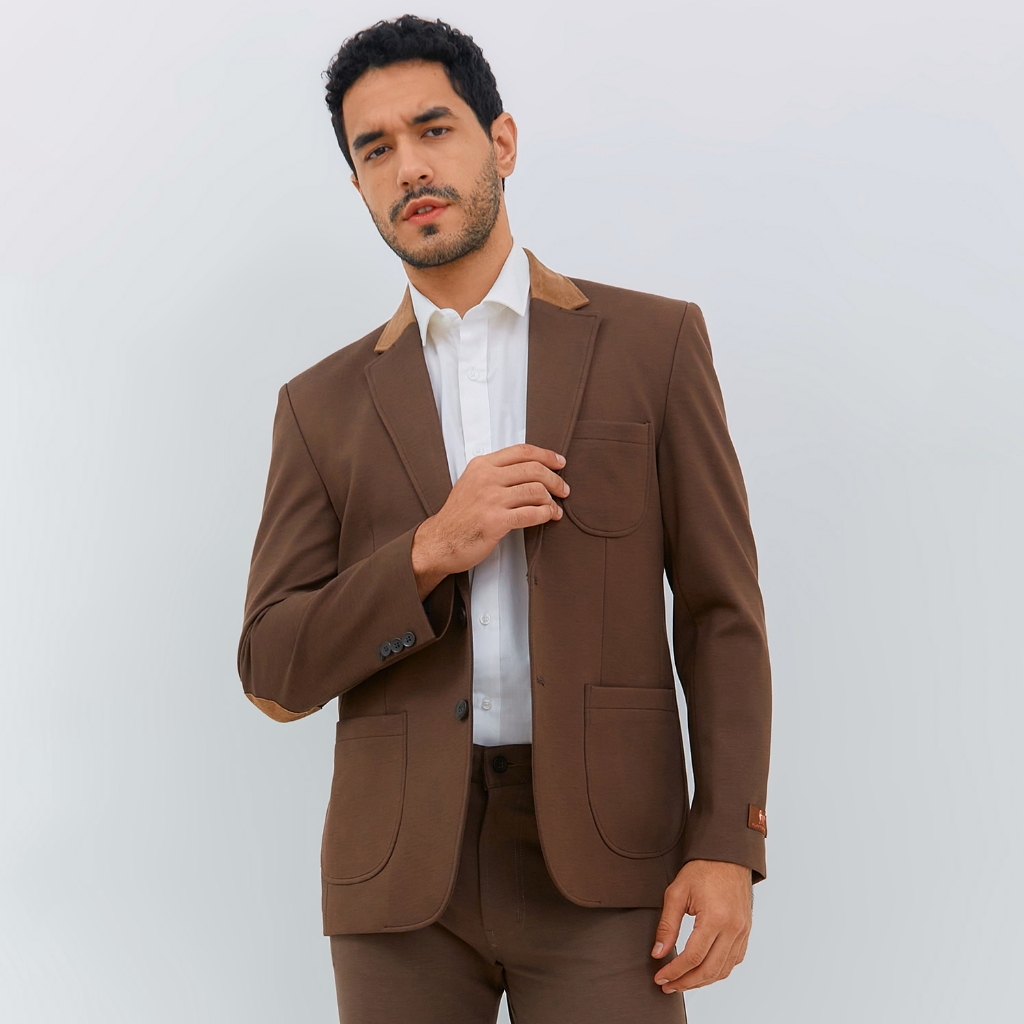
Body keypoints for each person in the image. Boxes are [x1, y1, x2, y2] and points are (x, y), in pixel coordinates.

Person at [238, 15, 771, 1023]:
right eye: (375, 149)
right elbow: (273, 670)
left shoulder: (652, 344)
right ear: (358, 185)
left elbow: (720, 612)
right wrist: (428, 551)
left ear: (502, 141)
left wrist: (726, 843)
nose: (409, 166)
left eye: (434, 129)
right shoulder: (319, 406)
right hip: (398, 880)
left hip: (610, 860)